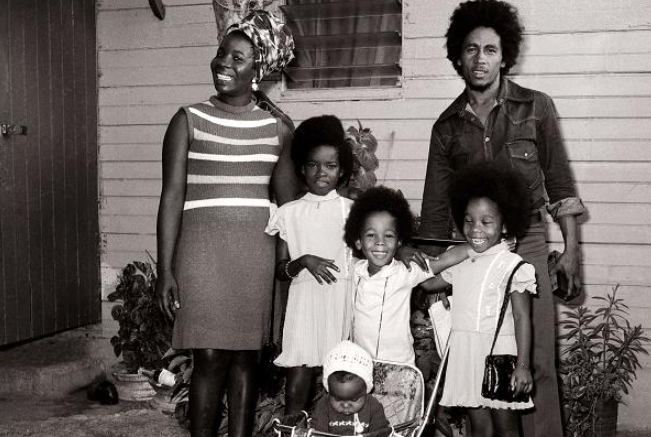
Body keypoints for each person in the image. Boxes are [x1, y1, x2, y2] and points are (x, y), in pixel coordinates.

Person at [418, 1, 585, 436]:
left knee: (538, 361)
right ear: (458, 55)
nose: (480, 59)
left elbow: (561, 187)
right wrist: (433, 286)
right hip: (471, 253)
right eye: (471, 49)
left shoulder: (537, 108)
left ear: (505, 56)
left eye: (490, 50)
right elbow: (436, 214)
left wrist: (569, 252)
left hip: (527, 245)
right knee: (480, 361)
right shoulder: (447, 128)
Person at [155, 10, 297, 437]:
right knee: (211, 355)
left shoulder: (278, 128)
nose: (224, 64)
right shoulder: (187, 120)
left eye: (238, 58)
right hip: (200, 252)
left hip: (255, 254)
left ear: (259, 69)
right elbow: (172, 197)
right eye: (222, 54)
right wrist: (165, 270)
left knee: (245, 358)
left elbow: (287, 204)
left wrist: (288, 268)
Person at [421, 164, 535, 437]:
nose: (475, 229)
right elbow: (426, 282)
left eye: (487, 221)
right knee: (480, 428)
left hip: (500, 352)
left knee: (506, 428)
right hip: (466, 351)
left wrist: (523, 365)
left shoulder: (513, 265)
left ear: (505, 224)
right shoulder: (461, 259)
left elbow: (522, 317)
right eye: (469, 220)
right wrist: (446, 255)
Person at [264, 115, 355, 415]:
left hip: (339, 300)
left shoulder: (351, 212)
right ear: (302, 168)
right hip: (304, 304)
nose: (321, 172)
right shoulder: (288, 214)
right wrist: (302, 261)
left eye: (330, 165)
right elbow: (280, 271)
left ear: (341, 171)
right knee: (298, 379)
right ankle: (292, 428)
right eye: (314, 164)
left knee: (342, 379)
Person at [343, 187, 469, 365]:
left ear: (399, 241)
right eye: (371, 235)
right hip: (361, 366)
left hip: (399, 365)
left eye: (388, 236)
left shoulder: (405, 272)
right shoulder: (355, 270)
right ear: (358, 241)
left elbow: (446, 259)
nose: (380, 242)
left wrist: (482, 245)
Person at [312, 340, 390, 436]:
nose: (345, 405)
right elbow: (317, 433)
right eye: (337, 399)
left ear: (366, 390)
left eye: (354, 399)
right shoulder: (323, 406)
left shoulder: (373, 407)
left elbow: (380, 433)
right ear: (329, 390)